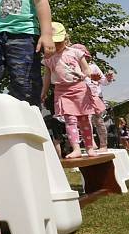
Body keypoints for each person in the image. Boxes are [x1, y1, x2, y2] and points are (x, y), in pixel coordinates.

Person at [41, 23, 103, 158]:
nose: (56, 45)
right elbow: (47, 77)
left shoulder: (76, 52)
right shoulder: (48, 58)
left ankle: (89, 147)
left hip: (80, 89)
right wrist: (44, 91)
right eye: (53, 42)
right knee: (70, 120)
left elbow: (86, 69)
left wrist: (88, 75)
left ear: (65, 39)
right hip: (62, 92)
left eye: (59, 42)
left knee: (85, 119)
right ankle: (76, 149)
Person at [72, 44, 112, 153]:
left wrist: (107, 79)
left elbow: (103, 81)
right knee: (85, 121)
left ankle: (103, 145)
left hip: (96, 96)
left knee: (99, 121)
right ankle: (91, 144)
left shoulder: (93, 67)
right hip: (82, 98)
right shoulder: (74, 69)